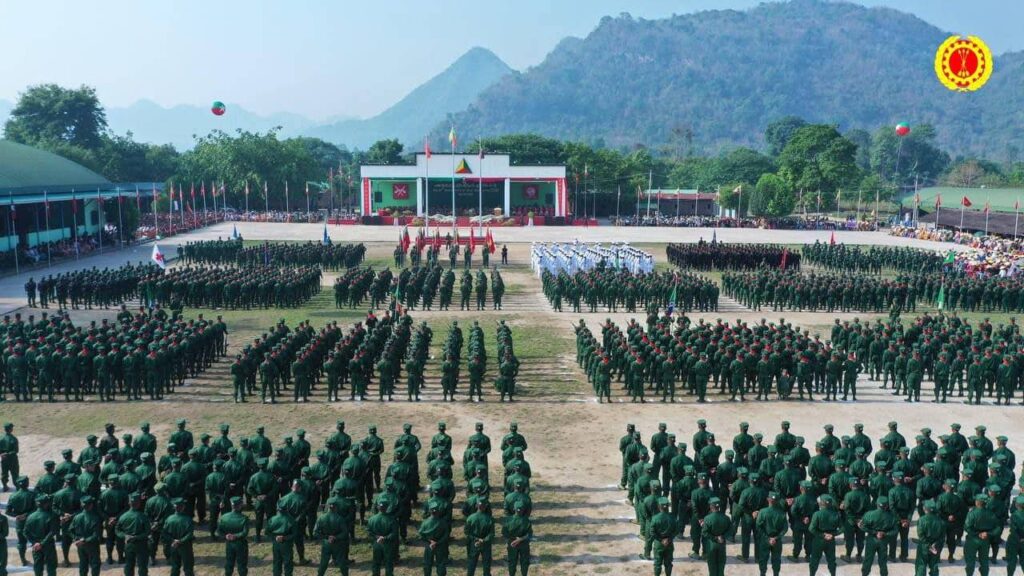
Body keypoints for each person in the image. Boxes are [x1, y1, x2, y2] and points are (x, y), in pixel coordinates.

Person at [312, 499, 349, 576]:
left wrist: (326, 537)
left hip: (326, 543)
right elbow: (345, 533)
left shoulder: (321, 518)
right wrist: (335, 537)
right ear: (336, 507)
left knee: (323, 563)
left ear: (328, 507)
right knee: (342, 563)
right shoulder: (340, 518)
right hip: (338, 543)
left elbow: (315, 533)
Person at [117, 492, 150, 576]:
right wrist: (137, 537)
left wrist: (125, 536)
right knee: (142, 566)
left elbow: (117, 530)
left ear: (129, 503)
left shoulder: (123, 516)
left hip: (129, 544)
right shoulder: (143, 516)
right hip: (141, 544)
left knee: (129, 565)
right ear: (139, 503)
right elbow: (147, 532)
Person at [756, 492, 788, 576]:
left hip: (765, 540)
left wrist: (768, 538)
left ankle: (762, 574)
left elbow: (758, 527)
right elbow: (785, 529)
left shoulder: (762, 512)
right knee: (776, 560)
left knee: (763, 559)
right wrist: (776, 538)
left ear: (768, 500)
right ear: (778, 501)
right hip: (777, 541)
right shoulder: (782, 513)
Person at [161, 498, 195, 576]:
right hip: (185, 546)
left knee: (175, 567)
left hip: (173, 546)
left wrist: (173, 540)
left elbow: (164, 533)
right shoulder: (188, 519)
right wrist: (180, 541)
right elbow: (190, 534)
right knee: (188, 567)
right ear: (183, 507)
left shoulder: (169, 519)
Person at [809, 494, 841, 576]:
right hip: (831, 540)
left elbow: (811, 529)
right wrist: (832, 534)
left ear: (822, 503)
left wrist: (823, 535)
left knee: (814, 560)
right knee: (831, 561)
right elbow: (842, 528)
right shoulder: (836, 514)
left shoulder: (817, 514)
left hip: (818, 540)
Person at [70, 495, 102, 576]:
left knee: (83, 564)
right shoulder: (96, 518)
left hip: (81, 546)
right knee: (95, 565)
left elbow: (70, 530)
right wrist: (84, 540)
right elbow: (96, 535)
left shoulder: (76, 517)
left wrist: (76, 539)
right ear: (91, 505)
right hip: (92, 545)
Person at [217, 497, 250, 576]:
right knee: (242, 565)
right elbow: (245, 532)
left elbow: (218, 531)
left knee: (229, 563)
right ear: (239, 505)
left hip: (229, 544)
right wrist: (235, 536)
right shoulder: (244, 518)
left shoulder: (224, 517)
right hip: (241, 544)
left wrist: (226, 536)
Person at [419, 501, 450, 576]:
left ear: (430, 511)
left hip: (429, 545)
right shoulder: (443, 522)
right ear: (438, 511)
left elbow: (421, 535)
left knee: (427, 563)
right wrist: (438, 542)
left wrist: (430, 541)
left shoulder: (425, 523)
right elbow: (446, 535)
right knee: (441, 563)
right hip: (440, 545)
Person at [367, 501, 398, 576]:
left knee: (376, 562)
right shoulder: (391, 519)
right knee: (388, 563)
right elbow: (394, 534)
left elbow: (369, 532)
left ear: (378, 508)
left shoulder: (371, 519)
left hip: (377, 544)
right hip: (388, 544)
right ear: (387, 508)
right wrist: (384, 538)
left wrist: (376, 537)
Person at [915, 500, 945, 576]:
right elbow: (942, 537)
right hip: (935, 547)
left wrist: (928, 545)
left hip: (924, 547)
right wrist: (935, 544)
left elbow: (921, 535)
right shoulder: (941, 521)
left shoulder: (921, 520)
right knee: (934, 566)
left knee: (921, 566)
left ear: (925, 509)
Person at [702, 497, 731, 576]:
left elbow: (704, 533)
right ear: (719, 507)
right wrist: (723, 537)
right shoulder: (726, 518)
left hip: (711, 544)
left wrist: (715, 538)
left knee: (712, 565)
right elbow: (731, 531)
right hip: (722, 544)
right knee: (721, 565)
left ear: (711, 506)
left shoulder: (707, 518)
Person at [465, 499, 494, 576]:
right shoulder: (489, 519)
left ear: (476, 506)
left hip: (474, 543)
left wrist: (476, 539)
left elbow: (467, 533)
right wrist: (483, 540)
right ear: (485, 507)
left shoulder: (470, 518)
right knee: (486, 563)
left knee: (472, 563)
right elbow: (491, 534)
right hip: (485, 544)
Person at [267, 501, 297, 576]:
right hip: (287, 544)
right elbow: (295, 534)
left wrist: (275, 537)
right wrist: (284, 537)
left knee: (277, 562)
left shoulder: (272, 519)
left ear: (277, 509)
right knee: (288, 563)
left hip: (276, 543)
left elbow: (267, 532)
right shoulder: (291, 519)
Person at [650, 496, 677, 576]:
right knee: (668, 563)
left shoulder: (655, 518)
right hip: (669, 544)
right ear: (668, 506)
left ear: (659, 506)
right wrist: (669, 539)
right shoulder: (672, 518)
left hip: (659, 544)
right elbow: (676, 531)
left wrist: (661, 540)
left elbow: (652, 532)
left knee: (657, 564)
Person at [503, 502, 533, 576]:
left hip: (512, 544)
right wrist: (520, 539)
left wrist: (514, 539)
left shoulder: (508, 520)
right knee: (524, 562)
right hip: (524, 545)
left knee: (512, 562)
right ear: (523, 510)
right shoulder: (526, 520)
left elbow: (504, 533)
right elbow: (529, 534)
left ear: (514, 509)